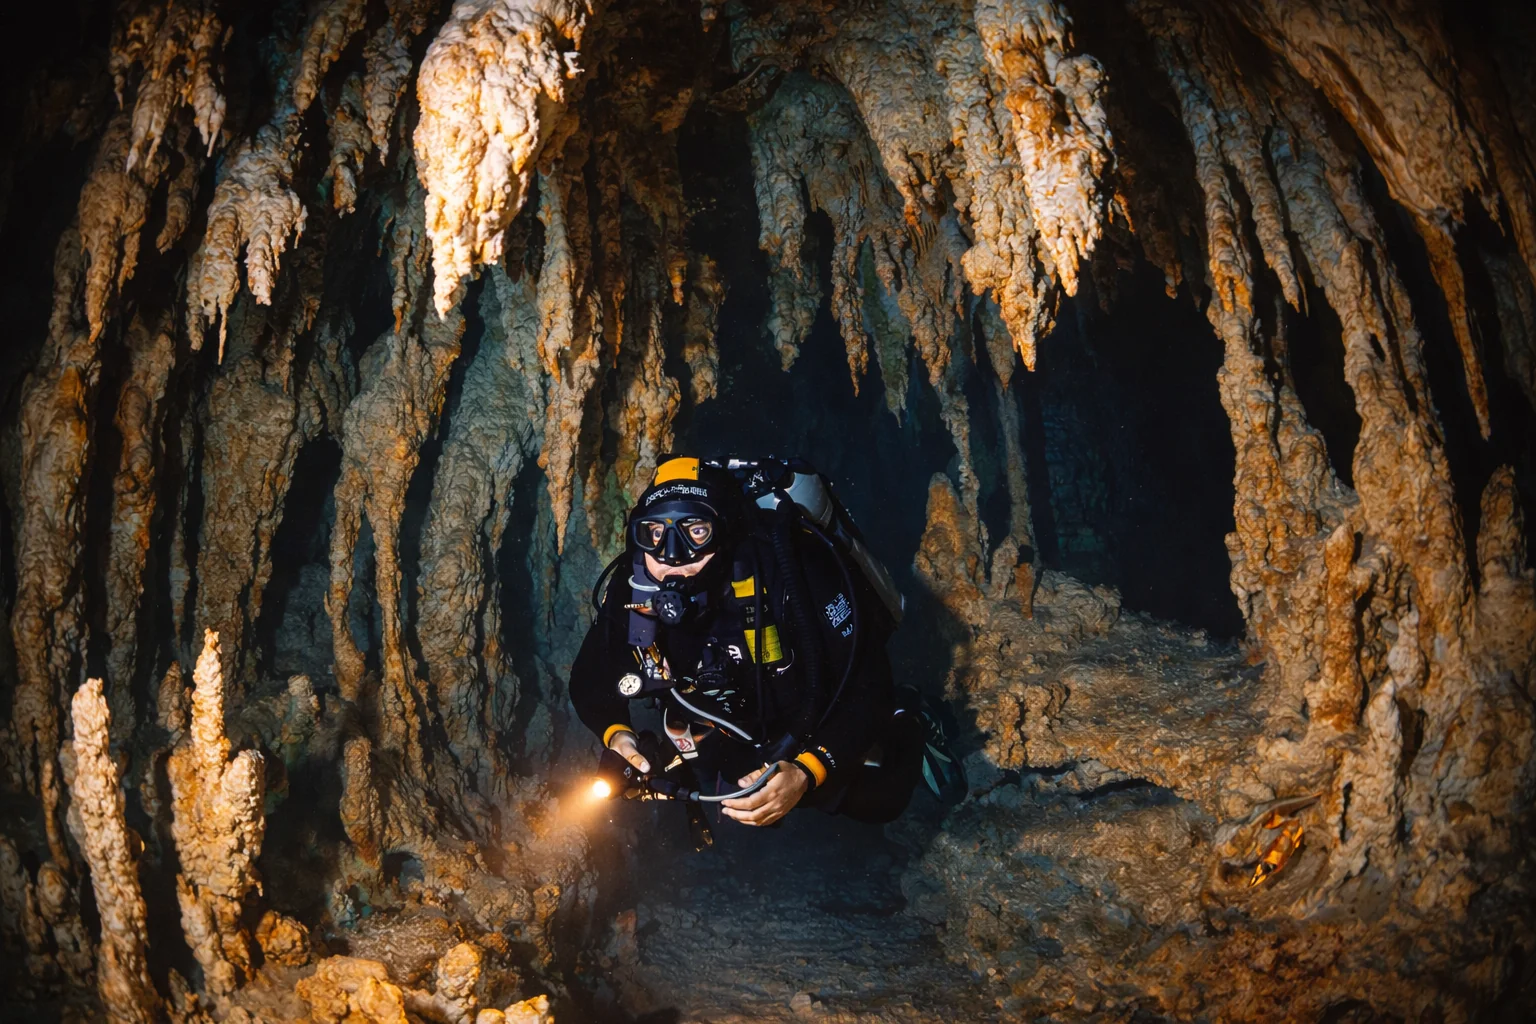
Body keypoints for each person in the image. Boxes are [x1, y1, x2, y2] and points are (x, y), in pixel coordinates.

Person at [570, 455, 964, 829]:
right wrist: (617, 733)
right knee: (738, 794)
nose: (672, 556)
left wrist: (807, 771)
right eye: (655, 533)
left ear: (723, 532)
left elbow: (869, 686)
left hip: (812, 708)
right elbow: (590, 679)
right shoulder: (634, 585)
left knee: (882, 800)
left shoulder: (791, 567)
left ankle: (911, 716)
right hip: (729, 719)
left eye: (695, 531)